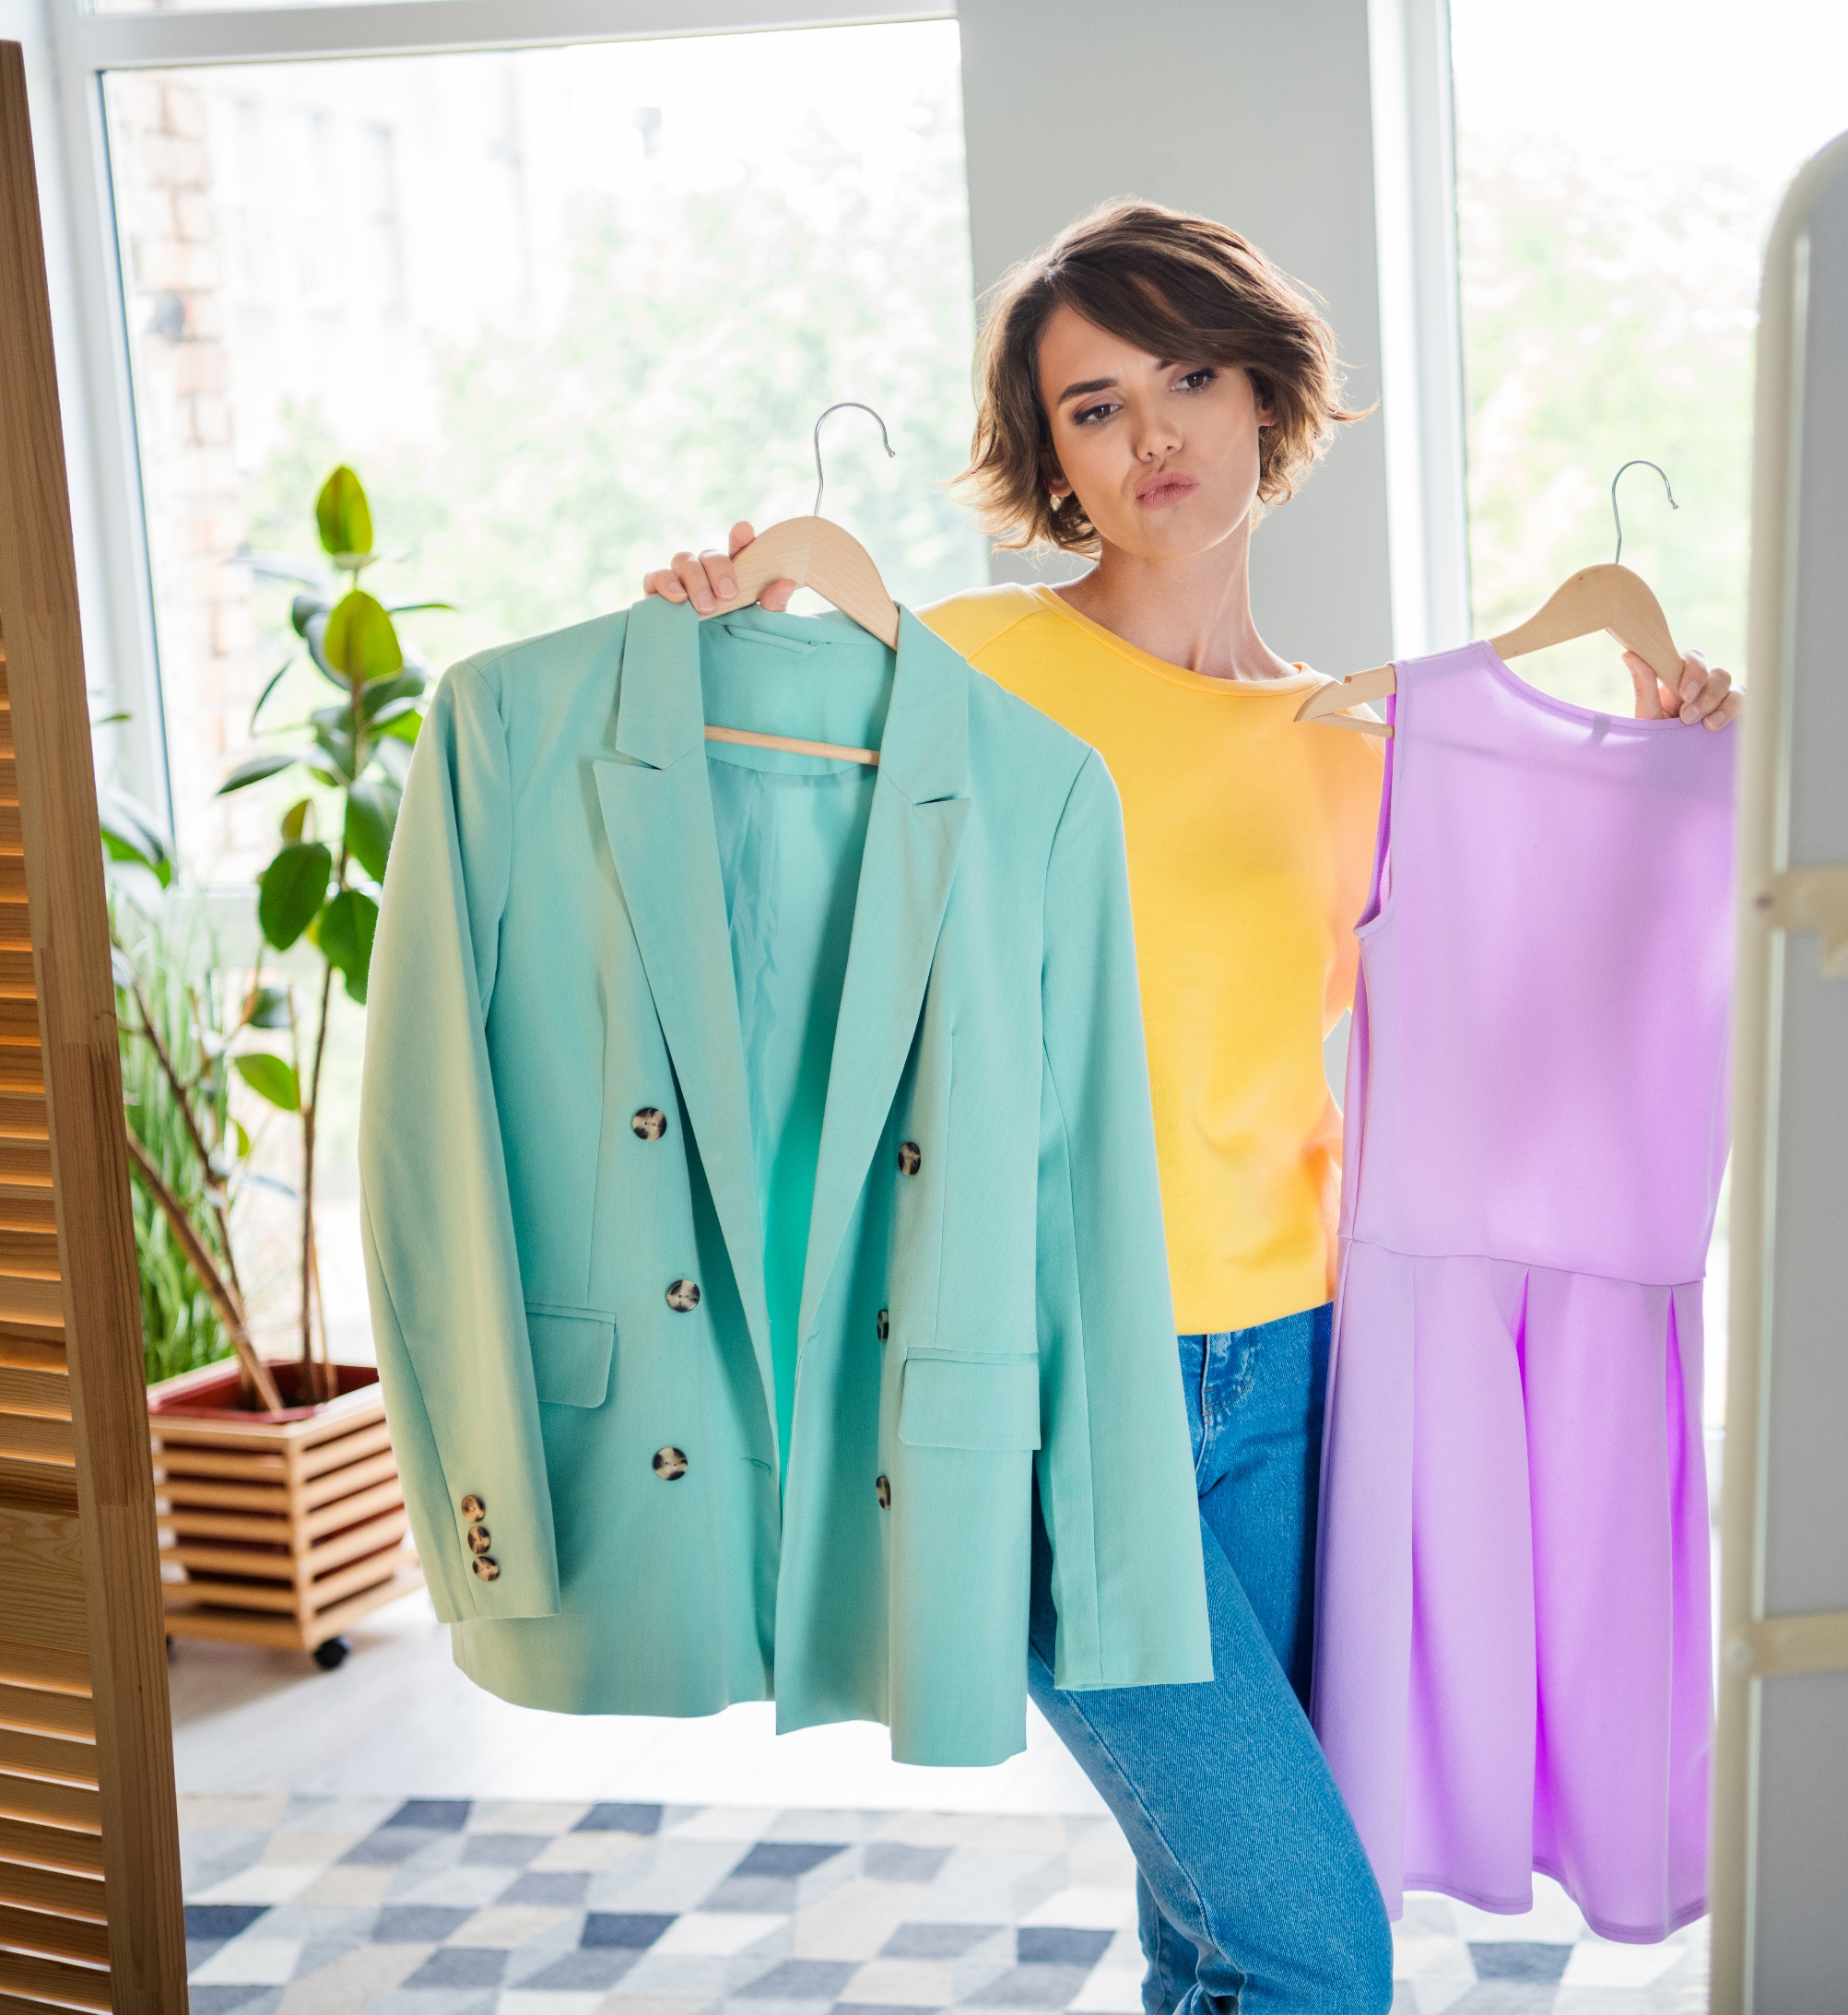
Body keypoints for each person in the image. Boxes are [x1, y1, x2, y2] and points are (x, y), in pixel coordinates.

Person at [647, 199, 1737, 2013]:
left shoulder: (1355, 744)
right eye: (1094, 406)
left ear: (1264, 400)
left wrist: (1656, 797)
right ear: (1051, 457)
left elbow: (1521, 1054)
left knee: (1218, 1932)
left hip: (1296, 1370)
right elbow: (765, 913)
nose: (1149, 433)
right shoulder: (966, 667)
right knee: (1317, 1946)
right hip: (1058, 1377)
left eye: (1187, 379)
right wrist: (718, 646)